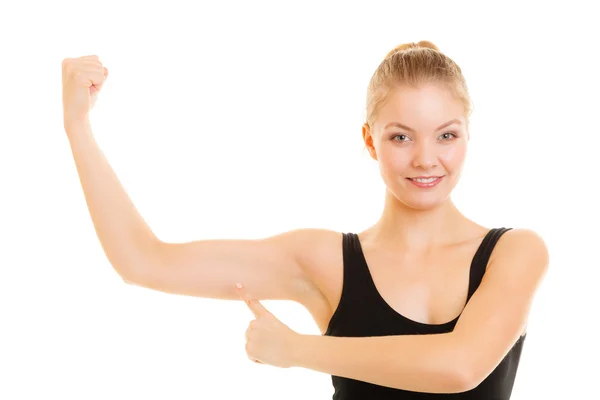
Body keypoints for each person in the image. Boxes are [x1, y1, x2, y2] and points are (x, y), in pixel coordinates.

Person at [61, 41, 549, 399]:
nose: (426, 159)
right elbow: (143, 261)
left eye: (446, 135)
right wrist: (78, 127)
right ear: (369, 140)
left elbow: (459, 367)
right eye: (401, 137)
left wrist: (298, 350)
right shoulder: (323, 261)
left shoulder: (515, 253)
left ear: (467, 136)